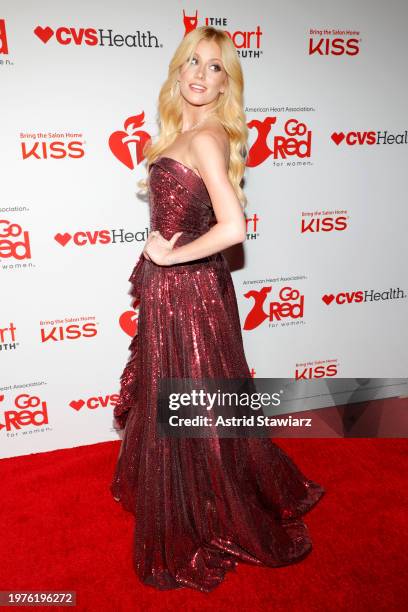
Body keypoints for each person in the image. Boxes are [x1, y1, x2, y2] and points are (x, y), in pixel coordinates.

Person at [110, 25, 325, 593]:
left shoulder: (205, 137)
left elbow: (232, 228)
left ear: (227, 82)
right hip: (187, 290)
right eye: (194, 63)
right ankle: (199, 494)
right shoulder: (187, 132)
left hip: (188, 293)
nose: (202, 75)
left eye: (216, 68)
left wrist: (168, 253)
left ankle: (207, 506)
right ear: (178, 69)